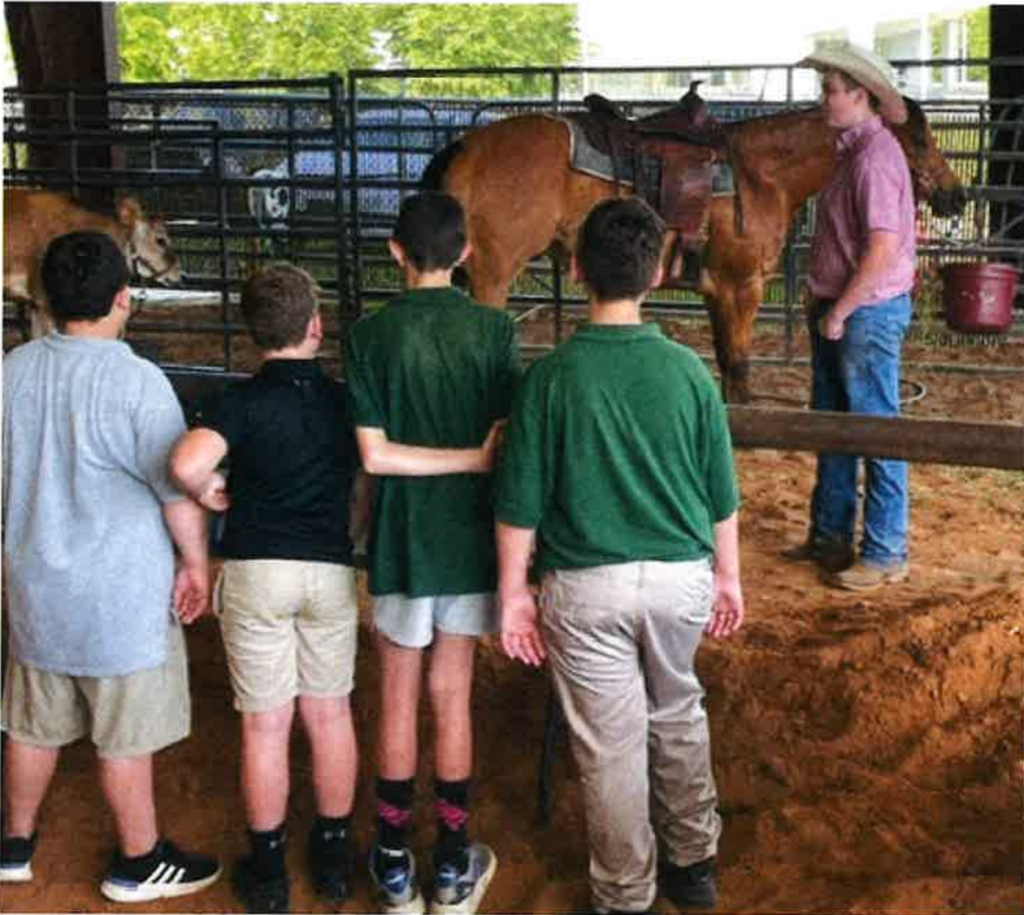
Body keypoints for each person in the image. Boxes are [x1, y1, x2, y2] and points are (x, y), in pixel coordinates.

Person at [495, 197, 744, 915]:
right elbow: (721, 493)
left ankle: (624, 894)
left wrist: (514, 591)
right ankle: (694, 864)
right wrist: (728, 575)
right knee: (677, 712)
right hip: (678, 579)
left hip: (586, 587)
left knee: (611, 746)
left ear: (576, 271)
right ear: (661, 271)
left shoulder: (550, 379)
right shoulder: (691, 373)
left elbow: (520, 505)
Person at [0, 231, 221, 902]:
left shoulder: (11, 370)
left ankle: (13, 842)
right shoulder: (137, 380)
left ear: (46, 297)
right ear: (124, 298)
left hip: (35, 585)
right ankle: (139, 857)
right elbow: (172, 490)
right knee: (124, 734)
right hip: (120, 597)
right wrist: (196, 563)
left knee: (31, 723)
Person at [169, 264, 365, 913]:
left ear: (256, 335)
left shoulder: (241, 402)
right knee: (329, 713)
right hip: (328, 570)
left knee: (265, 725)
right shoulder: (343, 402)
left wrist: (208, 489)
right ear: (316, 326)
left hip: (256, 569)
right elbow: (367, 479)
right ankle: (334, 857)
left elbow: (186, 462)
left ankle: (271, 867)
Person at [345, 191, 519, 915]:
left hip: (401, 538)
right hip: (470, 537)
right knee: (451, 696)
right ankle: (450, 863)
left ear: (395, 251)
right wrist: (470, 462)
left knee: (396, 695)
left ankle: (392, 861)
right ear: (467, 253)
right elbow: (501, 445)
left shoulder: (368, 335)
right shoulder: (496, 330)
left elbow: (374, 457)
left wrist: (442, 460)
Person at [783, 41, 917, 591]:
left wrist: (839, 309)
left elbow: (882, 250)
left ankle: (885, 549)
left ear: (860, 96)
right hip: (851, 308)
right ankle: (833, 536)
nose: (824, 100)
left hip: (864, 310)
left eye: (831, 91)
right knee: (838, 423)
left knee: (873, 427)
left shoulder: (874, 159)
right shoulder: (855, 155)